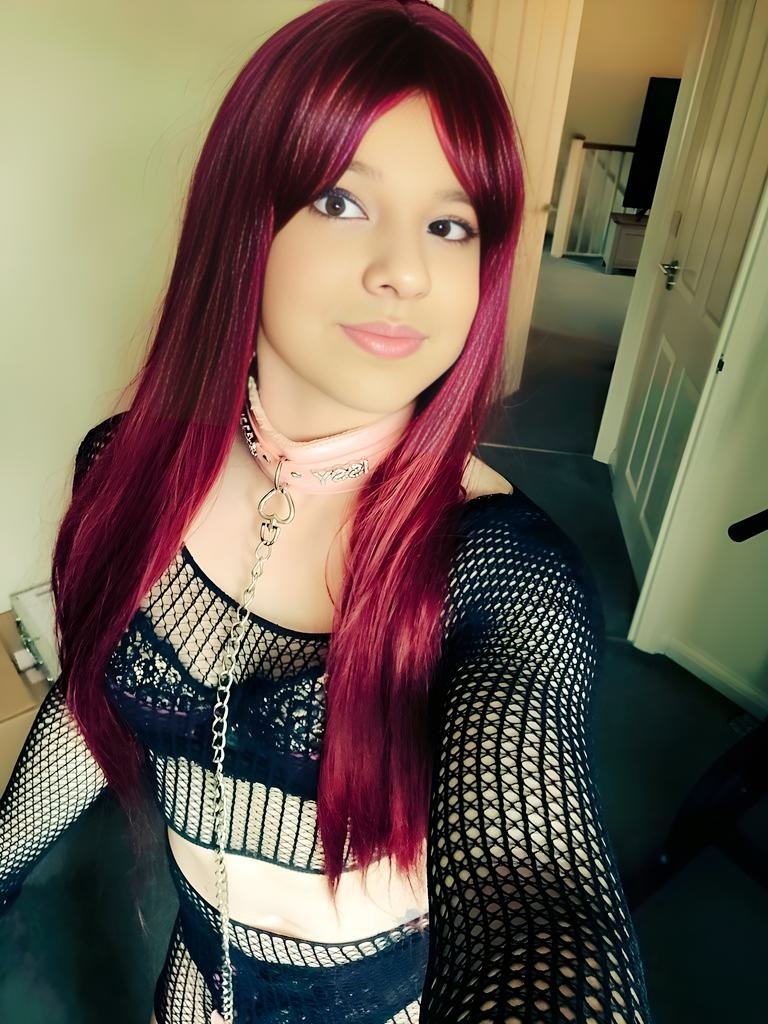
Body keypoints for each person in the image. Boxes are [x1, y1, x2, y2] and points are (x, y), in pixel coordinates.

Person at [0, 2, 654, 1022]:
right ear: (246, 219)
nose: (406, 270)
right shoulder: (125, 464)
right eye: (343, 201)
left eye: (450, 225)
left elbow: (538, 895)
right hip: (192, 990)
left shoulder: (503, 577)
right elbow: (94, 698)